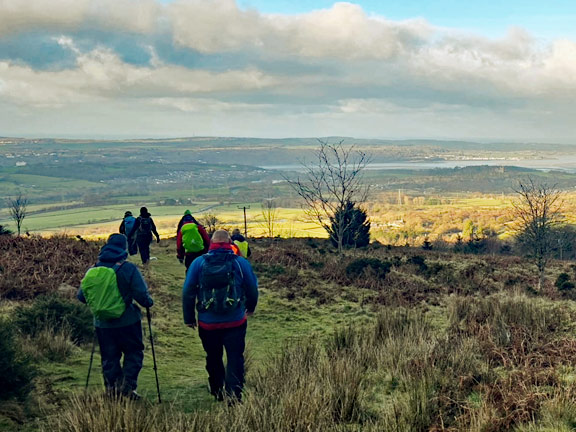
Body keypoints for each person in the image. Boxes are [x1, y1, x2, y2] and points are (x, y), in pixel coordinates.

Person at [182, 230, 258, 402]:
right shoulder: (240, 263)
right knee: (235, 357)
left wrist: (189, 318)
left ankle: (217, 390)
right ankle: (234, 395)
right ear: (230, 242)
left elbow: (187, 291)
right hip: (235, 321)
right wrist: (250, 307)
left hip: (207, 323)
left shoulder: (198, 263)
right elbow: (252, 287)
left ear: (211, 243)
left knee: (213, 356)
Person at [78, 234, 154, 399]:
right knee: (133, 352)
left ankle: (112, 389)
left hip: (102, 323)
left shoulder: (93, 269)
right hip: (128, 321)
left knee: (109, 357)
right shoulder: (128, 268)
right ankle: (127, 388)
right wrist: (149, 302)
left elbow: (81, 297)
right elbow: (141, 294)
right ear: (124, 248)